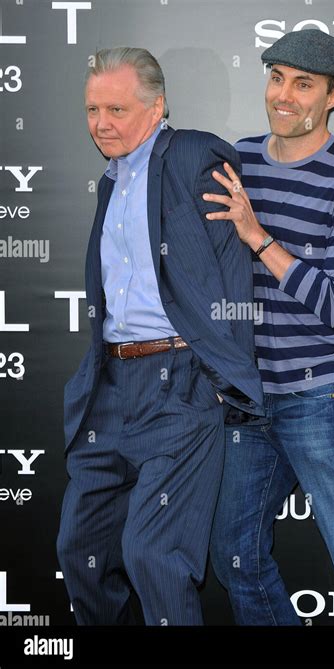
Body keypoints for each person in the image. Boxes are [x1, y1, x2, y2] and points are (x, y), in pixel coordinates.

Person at [206, 29, 334, 625]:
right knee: (237, 557)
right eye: (277, 78)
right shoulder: (236, 163)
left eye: (304, 84)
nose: (284, 96)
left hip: (323, 396)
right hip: (247, 398)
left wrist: (259, 237)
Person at [56, 46, 264, 626]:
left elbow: (227, 270)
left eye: (117, 109)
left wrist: (220, 375)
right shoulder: (110, 181)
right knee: (81, 552)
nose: (101, 124)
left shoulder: (196, 156)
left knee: (153, 555)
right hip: (109, 387)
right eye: (93, 110)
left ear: (158, 106)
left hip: (179, 385)